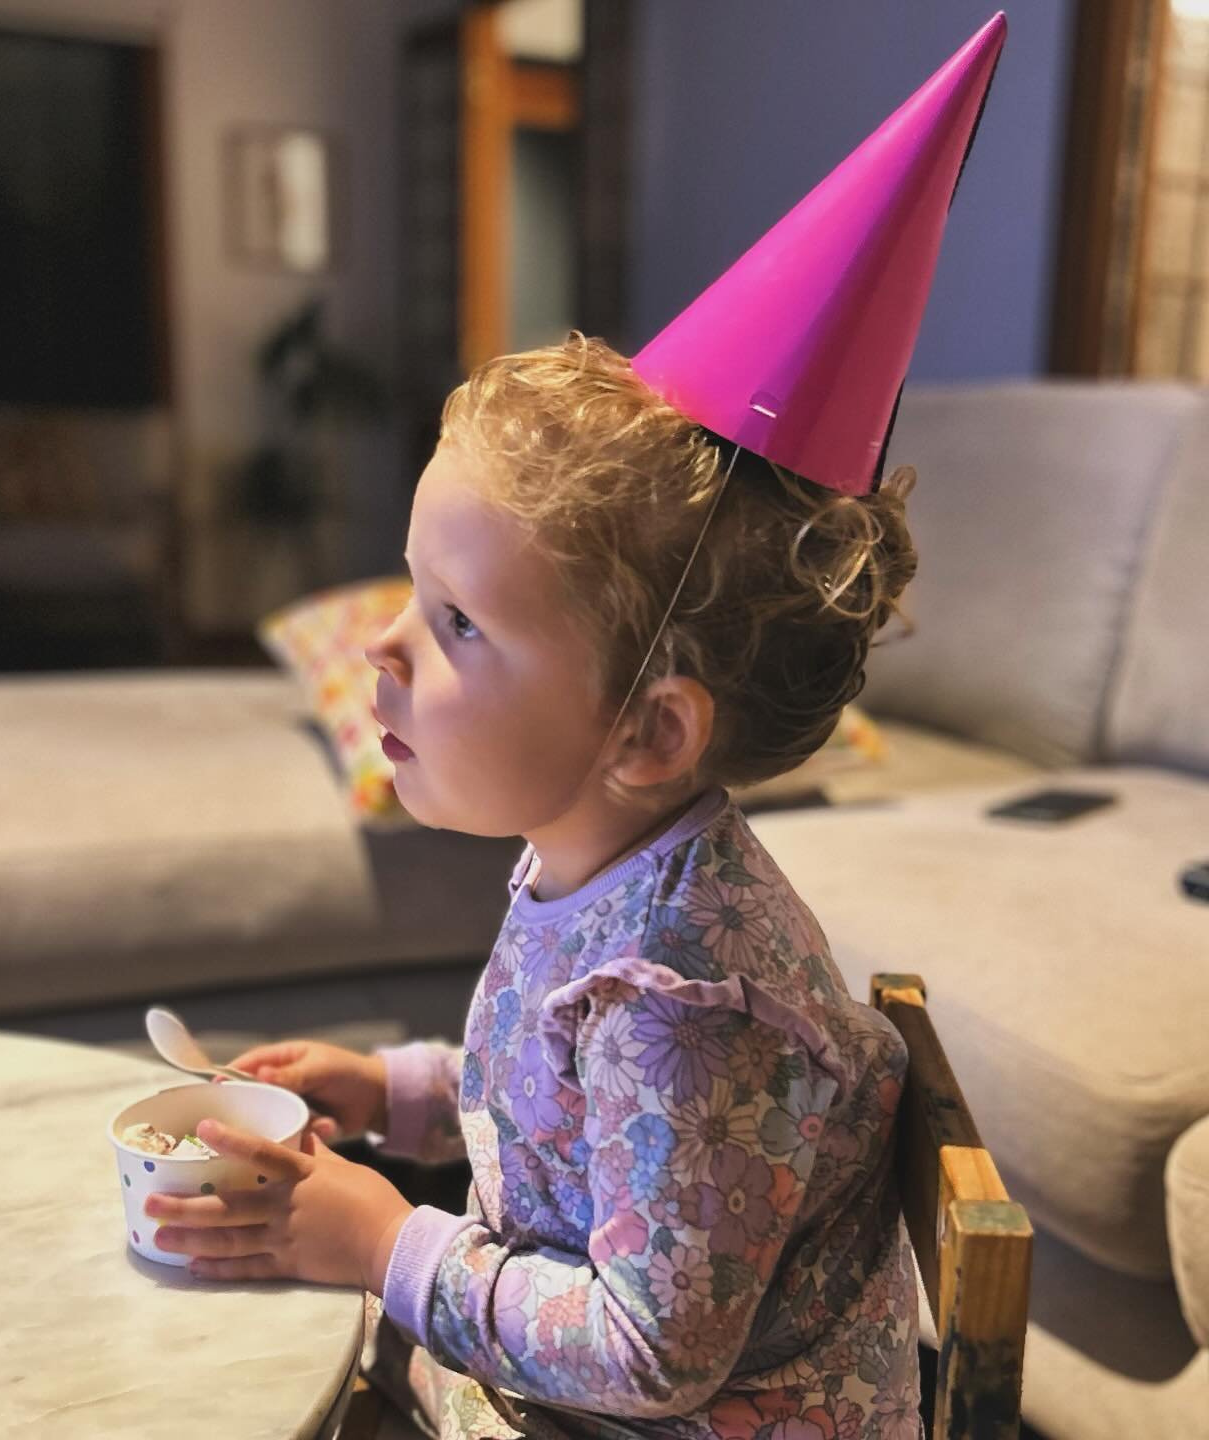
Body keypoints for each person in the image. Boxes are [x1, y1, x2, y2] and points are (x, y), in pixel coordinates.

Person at [143, 15, 1007, 1439]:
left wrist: (388, 1243)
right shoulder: (598, 860)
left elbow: (651, 1354)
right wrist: (400, 1090)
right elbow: (563, 1121)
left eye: (458, 622)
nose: (381, 644)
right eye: (412, 595)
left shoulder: (688, 1010)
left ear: (650, 736)